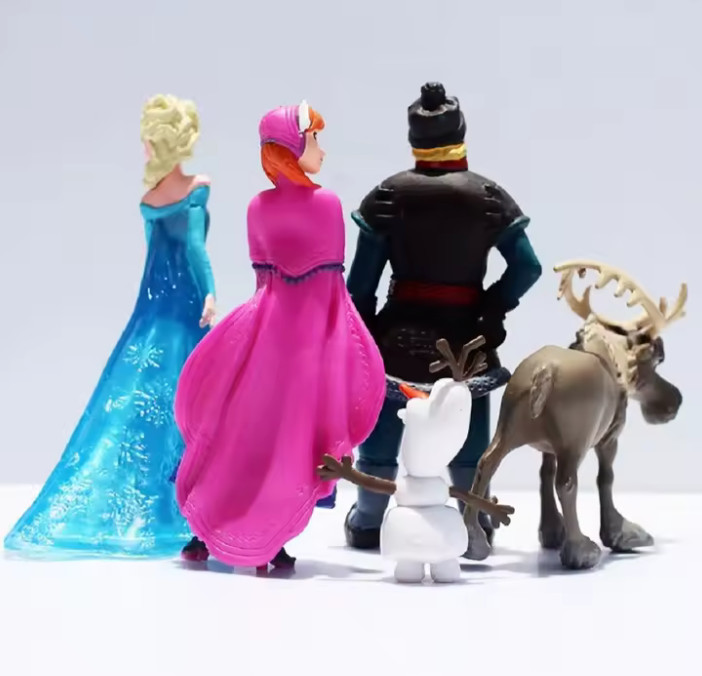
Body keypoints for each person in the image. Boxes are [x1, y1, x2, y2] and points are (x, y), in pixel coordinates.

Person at [174, 101, 386, 571]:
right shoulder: (326, 204)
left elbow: (264, 277)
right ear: (291, 146)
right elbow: (330, 286)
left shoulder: (258, 207)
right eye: (314, 139)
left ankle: (219, 532)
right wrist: (346, 342)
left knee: (242, 432)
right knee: (289, 441)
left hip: (262, 335)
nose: (322, 150)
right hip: (306, 343)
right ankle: (255, 536)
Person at [4, 94, 217, 556]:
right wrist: (210, 293)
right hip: (184, 310)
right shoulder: (196, 189)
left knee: (142, 397)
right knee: (188, 397)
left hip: (154, 310)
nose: (144, 147)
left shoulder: (150, 200)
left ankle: (178, 501)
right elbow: (195, 250)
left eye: (148, 139)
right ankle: (186, 507)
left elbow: (160, 254)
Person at [343, 82, 542, 550]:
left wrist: (362, 335)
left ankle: (369, 518)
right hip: (465, 339)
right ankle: (477, 518)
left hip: (397, 336)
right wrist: (492, 307)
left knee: (386, 422)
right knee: (468, 430)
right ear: (461, 133)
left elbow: (360, 285)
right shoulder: (489, 197)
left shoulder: (388, 196)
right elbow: (528, 267)